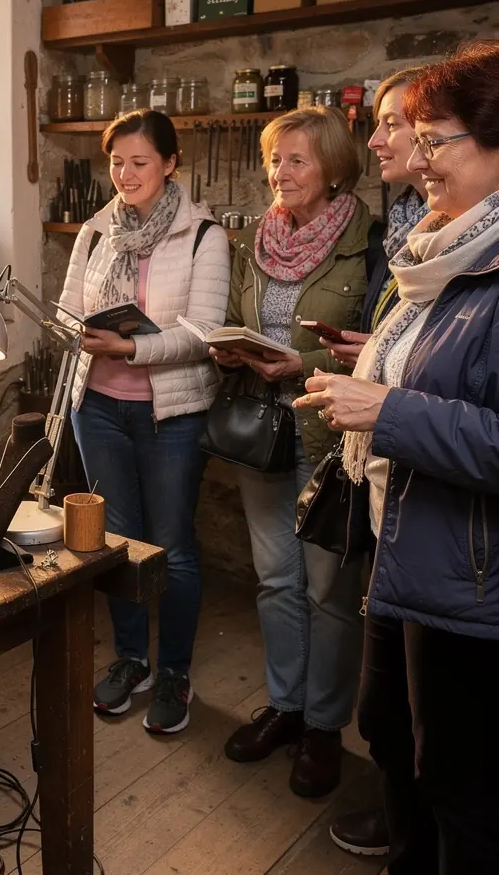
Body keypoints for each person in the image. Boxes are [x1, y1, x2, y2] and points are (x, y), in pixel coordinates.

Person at [298, 42, 499, 873]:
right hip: (411, 541)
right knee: (407, 745)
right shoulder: (444, 252)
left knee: (464, 789)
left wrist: (389, 409)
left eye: (436, 137)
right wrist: (369, 382)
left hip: (472, 578)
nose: (420, 157)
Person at [211, 107, 373, 798]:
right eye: (276, 159)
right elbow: (245, 320)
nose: (281, 173)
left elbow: (377, 341)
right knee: (276, 580)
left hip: (330, 435)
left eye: (298, 160)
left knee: (330, 591)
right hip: (264, 433)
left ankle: (324, 730)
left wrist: (295, 362)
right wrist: (229, 348)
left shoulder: (372, 244)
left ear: (333, 169)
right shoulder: (257, 238)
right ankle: (286, 706)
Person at [59, 109, 230, 734]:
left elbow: (204, 333)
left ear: (169, 164)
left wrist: (131, 347)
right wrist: (79, 330)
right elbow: (70, 306)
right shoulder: (96, 230)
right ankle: (133, 660)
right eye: (116, 163)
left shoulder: (203, 235)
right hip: (97, 407)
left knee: (174, 546)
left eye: (138, 162)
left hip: (172, 413)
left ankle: (176, 671)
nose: (124, 175)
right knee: (117, 542)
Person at [322, 69, 427, 858]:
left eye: (397, 124)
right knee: (391, 712)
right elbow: (415, 345)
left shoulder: (465, 256)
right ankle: (405, 828)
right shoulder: (414, 231)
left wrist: (384, 402)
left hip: (442, 529)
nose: (379, 139)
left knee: (435, 731)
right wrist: (374, 354)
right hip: (398, 504)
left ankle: (415, 836)